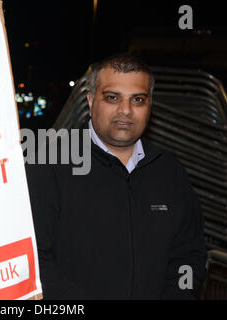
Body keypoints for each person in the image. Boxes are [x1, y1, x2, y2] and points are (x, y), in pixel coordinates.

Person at [26, 53, 207, 299]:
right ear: (90, 102)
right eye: (112, 98)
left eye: (138, 100)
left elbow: (189, 255)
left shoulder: (169, 170)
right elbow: (34, 259)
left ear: (149, 105)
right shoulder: (49, 162)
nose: (126, 110)